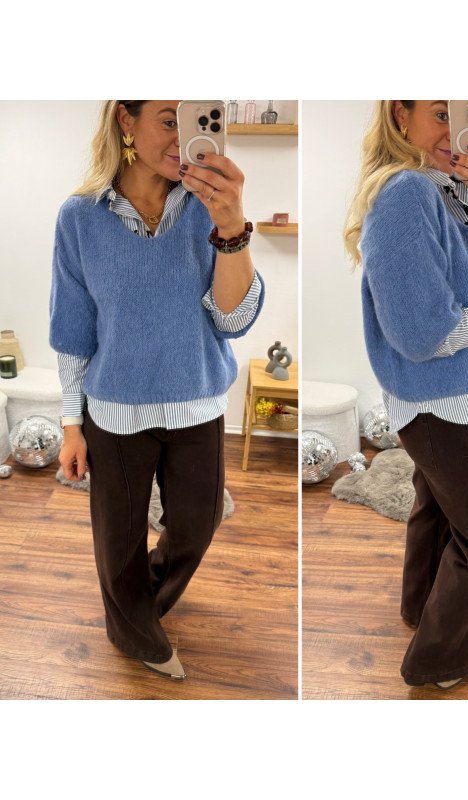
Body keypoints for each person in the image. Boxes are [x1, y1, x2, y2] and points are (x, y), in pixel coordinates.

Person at [49, 101, 264, 680]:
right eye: (169, 120)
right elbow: (73, 331)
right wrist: (71, 424)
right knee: (117, 540)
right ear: (126, 120)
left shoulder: (209, 208)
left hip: (197, 401)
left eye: (194, 123)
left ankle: (136, 605)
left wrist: (231, 228)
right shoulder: (79, 217)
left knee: (197, 524)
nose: (182, 139)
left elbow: (234, 320)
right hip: (114, 411)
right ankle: (134, 632)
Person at [344, 100, 468, 690]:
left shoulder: (457, 192)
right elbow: (419, 333)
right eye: (440, 112)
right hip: (437, 401)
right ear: (400, 116)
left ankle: (419, 606)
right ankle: (437, 662)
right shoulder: (407, 194)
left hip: (446, 397)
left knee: (435, 508)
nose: (456, 131)